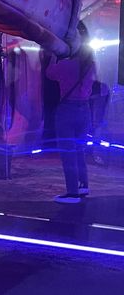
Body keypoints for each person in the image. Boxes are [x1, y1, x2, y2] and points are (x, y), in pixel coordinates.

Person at [46, 21, 96, 203]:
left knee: (68, 152)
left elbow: (49, 73)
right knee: (79, 150)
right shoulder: (91, 64)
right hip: (84, 109)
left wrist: (54, 54)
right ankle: (84, 186)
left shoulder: (68, 65)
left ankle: (72, 193)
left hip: (67, 109)